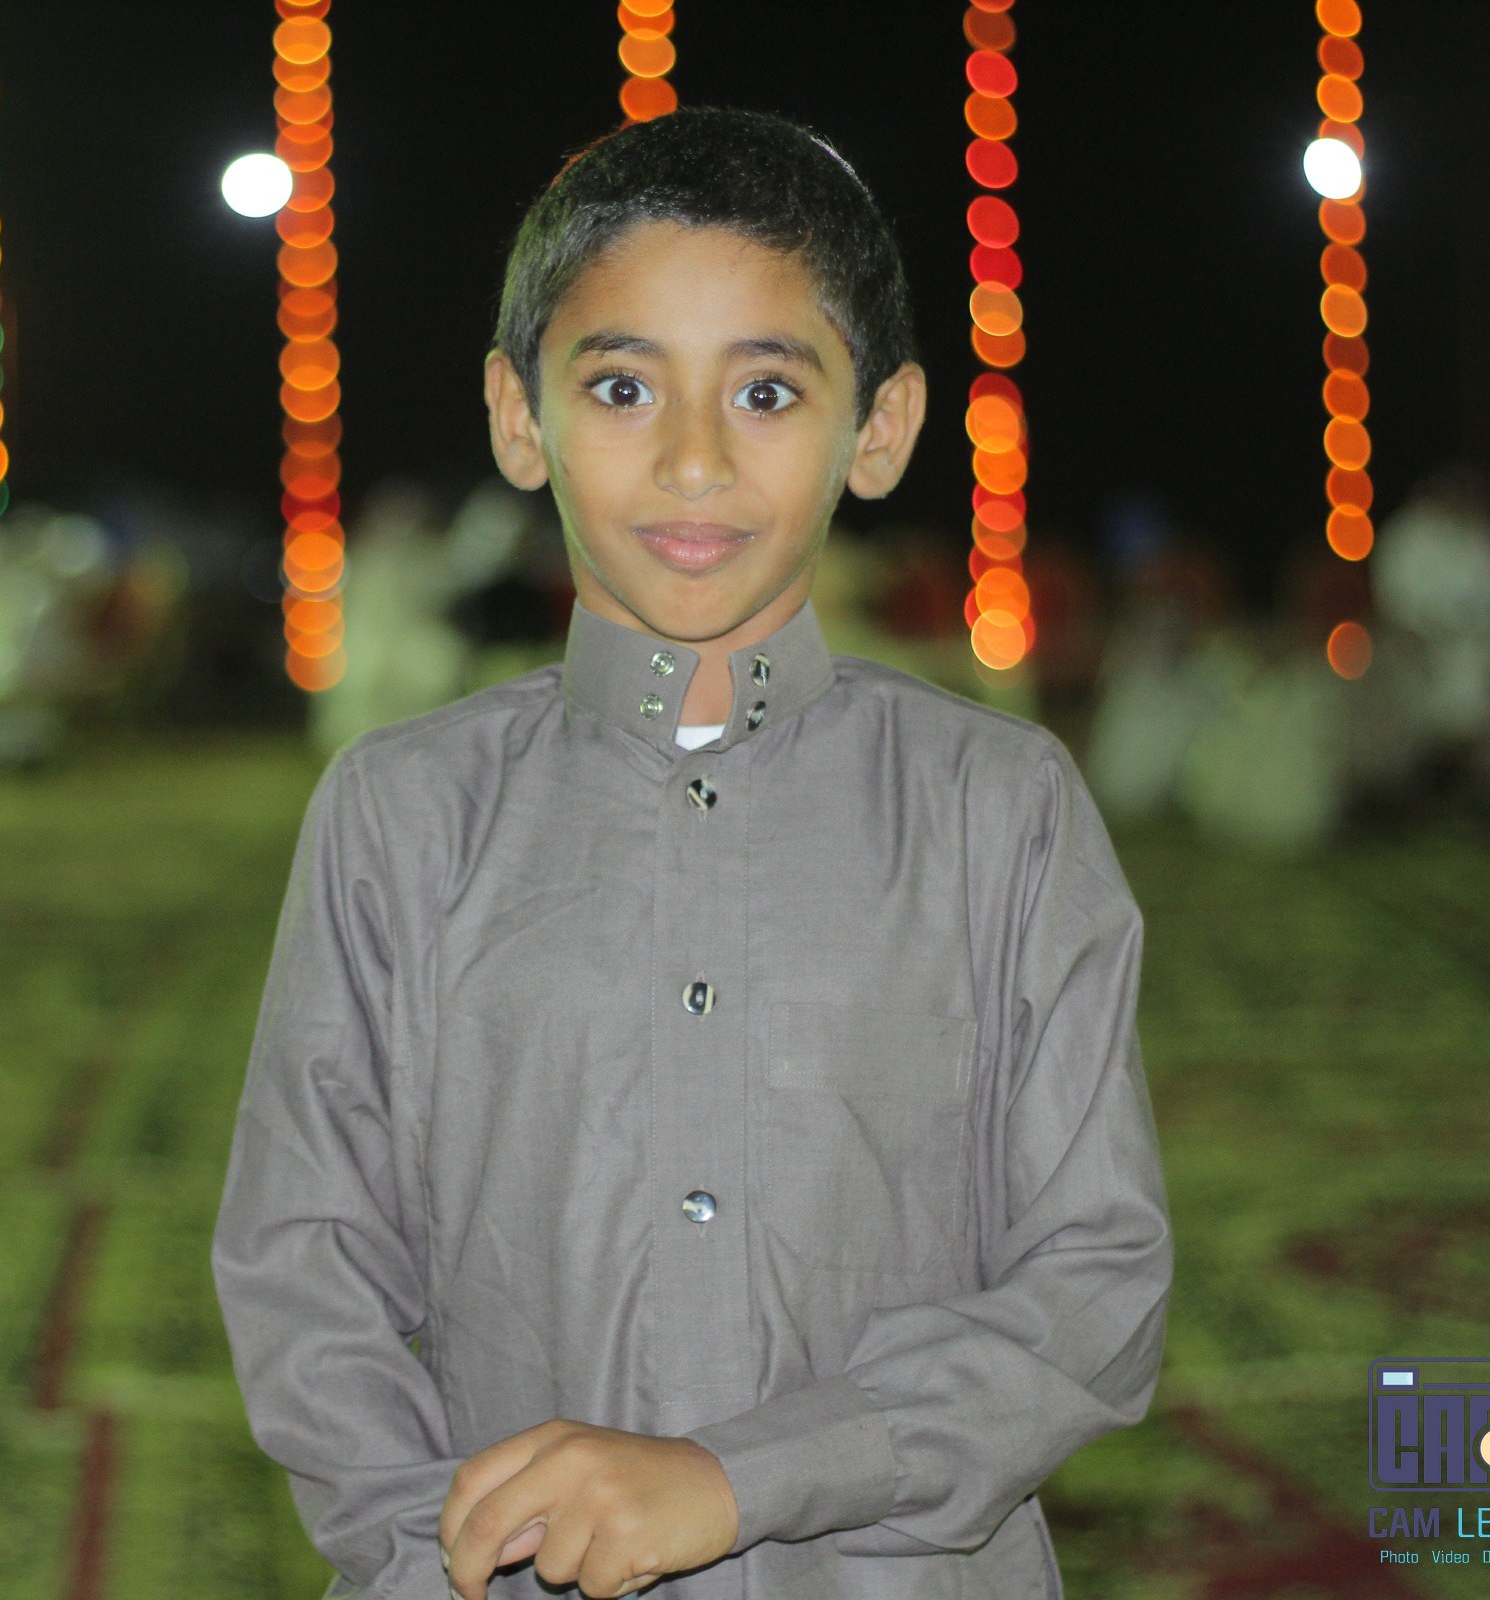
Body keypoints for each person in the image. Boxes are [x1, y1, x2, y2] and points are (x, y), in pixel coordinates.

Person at [213, 109, 1170, 1600]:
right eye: (620, 387)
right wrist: (437, 1555)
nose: (694, 460)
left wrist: (742, 1482)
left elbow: (1093, 1283)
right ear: (518, 417)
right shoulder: (402, 816)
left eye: (767, 391)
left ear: (882, 427)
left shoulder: (1003, 811)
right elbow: (304, 1269)